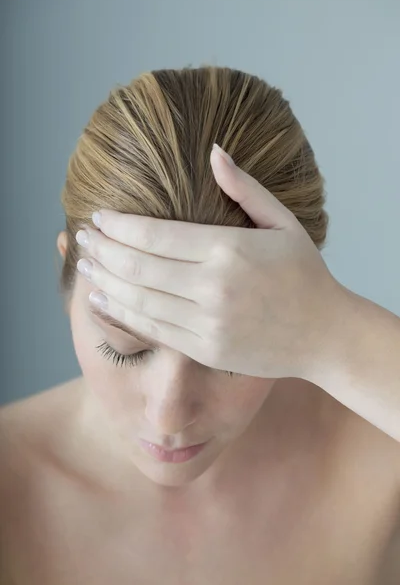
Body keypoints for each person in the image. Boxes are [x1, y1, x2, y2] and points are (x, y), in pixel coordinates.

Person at [1, 66, 399, 584]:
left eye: (228, 353)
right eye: (125, 349)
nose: (168, 417)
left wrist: (336, 331)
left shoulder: (380, 465)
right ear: (67, 283)